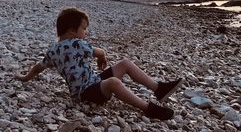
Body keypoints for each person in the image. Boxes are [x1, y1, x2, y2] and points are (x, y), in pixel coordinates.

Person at [16, 7, 183, 120]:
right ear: (73, 31)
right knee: (114, 82)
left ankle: (159, 89)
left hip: (92, 83)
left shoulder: (52, 51)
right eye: (84, 29)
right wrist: (101, 59)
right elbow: (100, 52)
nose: (86, 32)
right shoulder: (77, 43)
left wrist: (25, 77)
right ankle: (148, 108)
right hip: (86, 93)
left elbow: (39, 67)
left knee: (123, 64)